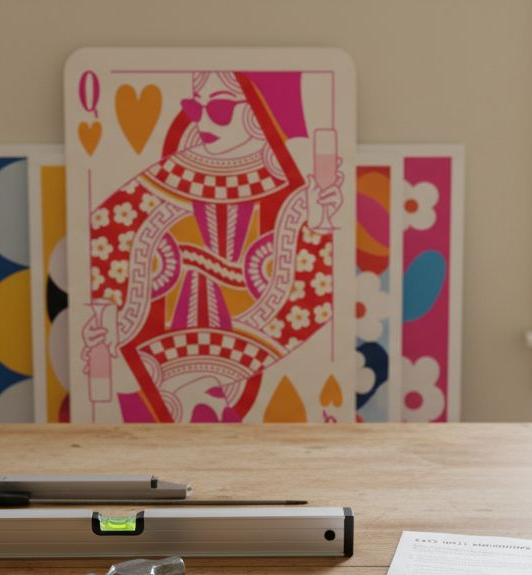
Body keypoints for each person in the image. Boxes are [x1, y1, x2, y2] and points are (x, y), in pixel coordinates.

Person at [81, 70, 343, 422]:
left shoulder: (290, 190)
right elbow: (105, 235)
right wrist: (110, 325)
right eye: (194, 107)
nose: (204, 119)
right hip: (166, 356)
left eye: (219, 109)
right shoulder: (166, 177)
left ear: (252, 113)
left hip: (250, 349)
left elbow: (314, 294)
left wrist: (316, 220)